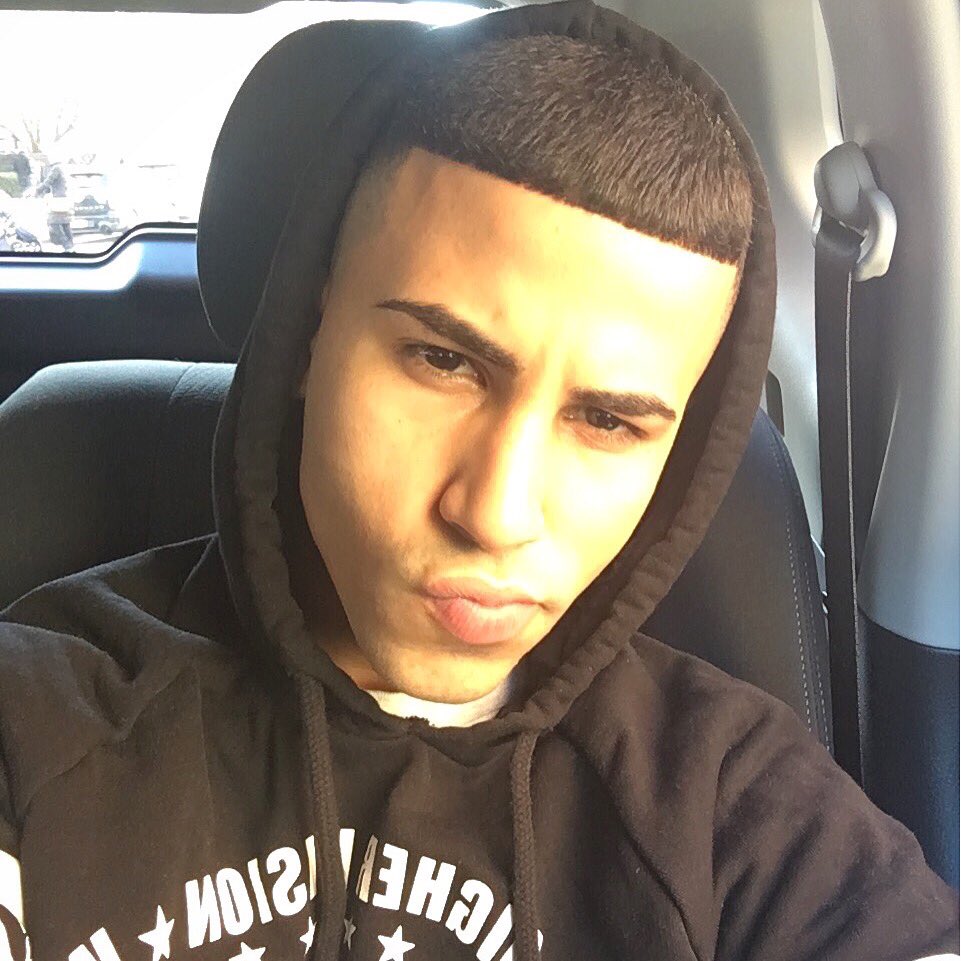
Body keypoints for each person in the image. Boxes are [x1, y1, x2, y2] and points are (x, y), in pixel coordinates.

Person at [0, 3, 958, 960]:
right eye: (442, 361)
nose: (494, 514)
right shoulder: (39, 718)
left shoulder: (736, 805)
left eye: (608, 420)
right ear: (307, 330)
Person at [33, 161, 74, 251]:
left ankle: (67, 246)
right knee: (65, 224)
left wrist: (37, 191)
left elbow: (48, 182)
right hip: (65, 199)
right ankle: (71, 247)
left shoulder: (56, 168)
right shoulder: (64, 167)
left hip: (59, 200)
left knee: (53, 223)